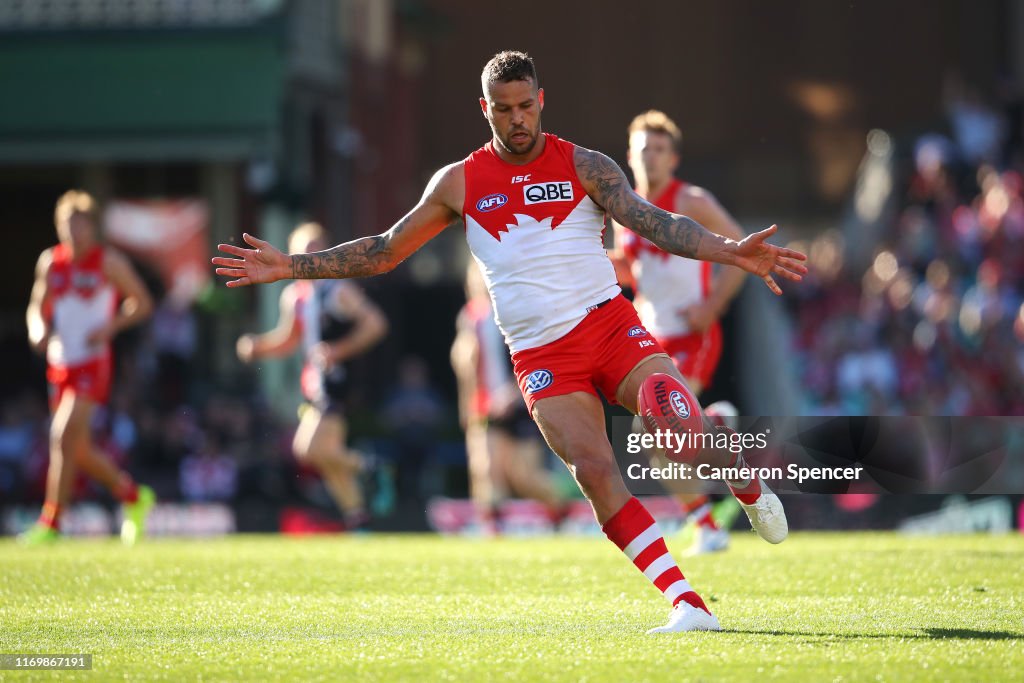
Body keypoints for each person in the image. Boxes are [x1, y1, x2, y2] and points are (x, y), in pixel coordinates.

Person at [214, 51, 807, 632]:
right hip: (541, 355)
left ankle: (745, 482)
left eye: (527, 105)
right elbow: (384, 250)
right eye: (504, 109)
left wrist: (729, 251)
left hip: (609, 327)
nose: (518, 118)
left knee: (677, 435)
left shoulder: (586, 164)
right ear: (485, 109)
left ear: (541, 100)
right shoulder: (459, 183)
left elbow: (653, 221)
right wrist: (292, 264)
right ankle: (688, 604)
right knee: (595, 471)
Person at [610, 110, 748, 555]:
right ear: (628, 155)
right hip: (650, 339)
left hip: (692, 334)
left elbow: (742, 249)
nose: (650, 157)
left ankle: (708, 524)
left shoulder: (691, 200)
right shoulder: (624, 208)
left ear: (674, 158)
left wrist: (714, 305)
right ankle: (708, 510)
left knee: (655, 428)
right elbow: (635, 272)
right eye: (642, 149)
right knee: (654, 441)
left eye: (659, 150)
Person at [21, 190, 156, 545]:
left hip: (92, 362)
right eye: (67, 225)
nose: (73, 233)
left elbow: (141, 302)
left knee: (60, 436)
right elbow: (37, 307)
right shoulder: (51, 262)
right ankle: (133, 496)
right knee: (77, 450)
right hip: (61, 361)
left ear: (92, 227)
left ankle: (51, 523)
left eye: (80, 225)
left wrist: (110, 326)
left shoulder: (107, 262)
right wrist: (38, 331)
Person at [236, 222, 388, 530]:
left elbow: (376, 324)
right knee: (326, 458)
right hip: (314, 383)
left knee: (307, 450)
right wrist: (258, 347)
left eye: (316, 247)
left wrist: (338, 350)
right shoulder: (295, 295)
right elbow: (290, 339)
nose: (311, 255)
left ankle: (372, 466)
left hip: (337, 380)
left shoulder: (337, 289)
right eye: (304, 250)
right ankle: (359, 520)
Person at [451, 261, 565, 534]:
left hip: (520, 403)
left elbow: (537, 358)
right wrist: (467, 405)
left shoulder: (517, 311)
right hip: (485, 405)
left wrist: (513, 393)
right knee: (486, 469)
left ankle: (559, 509)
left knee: (524, 478)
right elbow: (464, 366)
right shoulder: (470, 317)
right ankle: (491, 532)